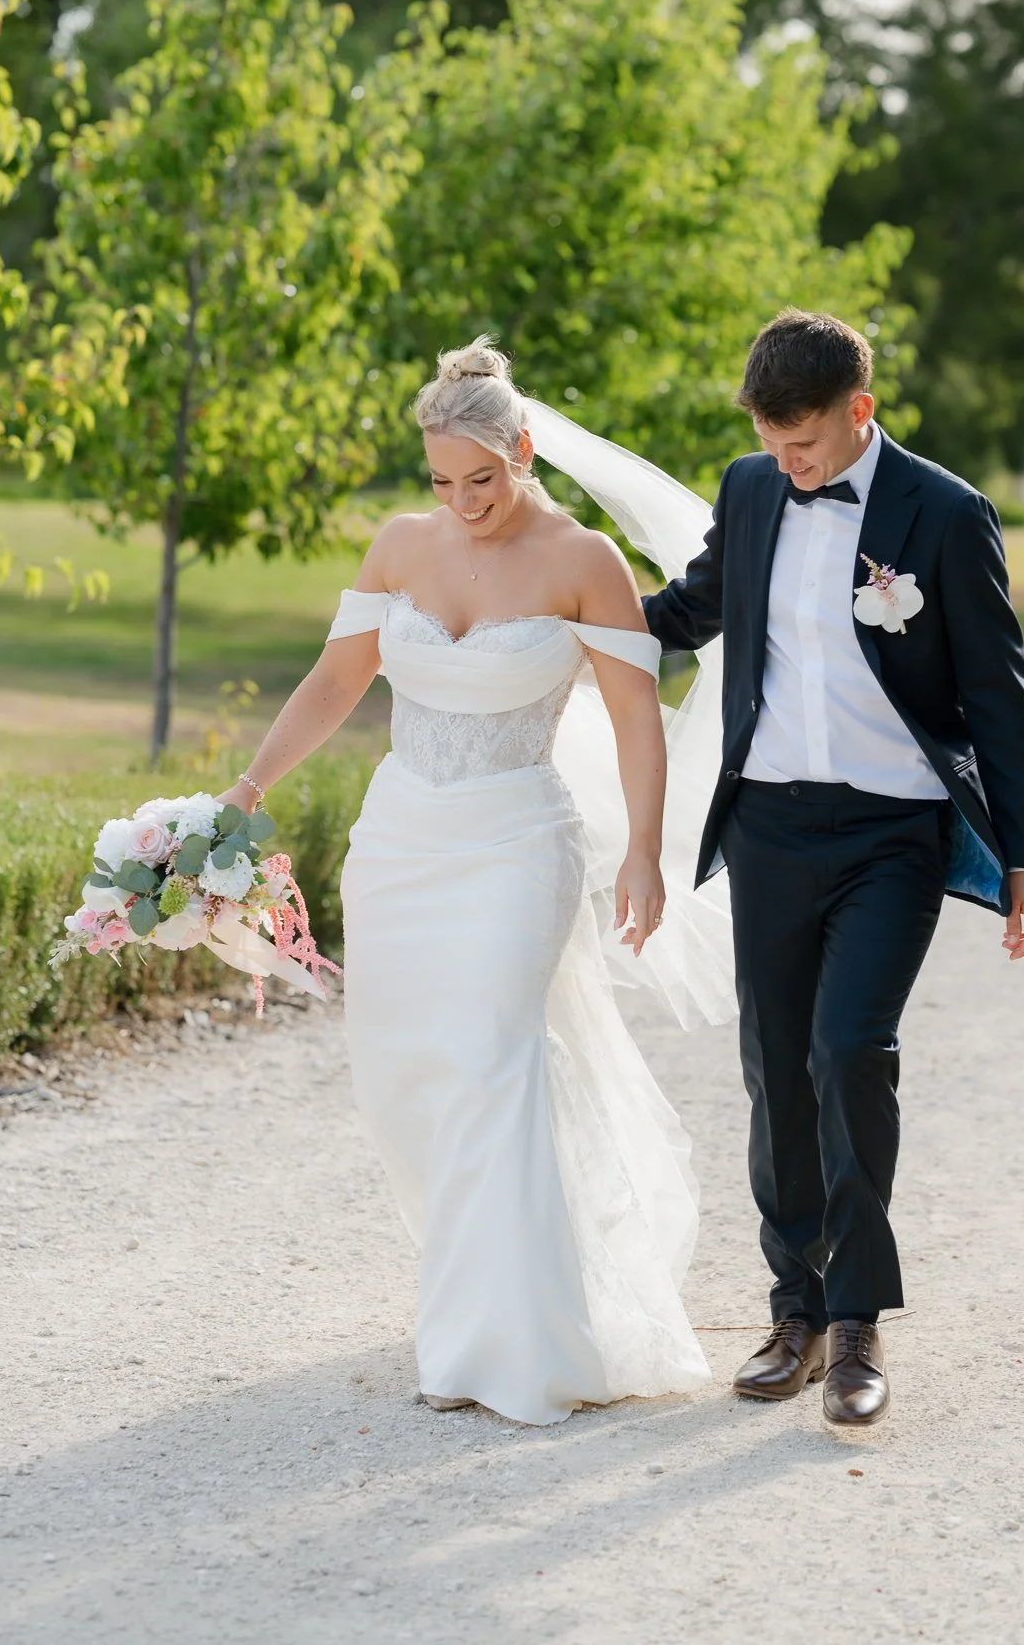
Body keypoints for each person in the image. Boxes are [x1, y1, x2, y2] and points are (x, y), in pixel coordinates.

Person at [219, 339, 719, 1426]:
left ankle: (504, 1346)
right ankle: (475, 1293)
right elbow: (337, 676)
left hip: (516, 844)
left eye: (482, 480)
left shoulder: (585, 561)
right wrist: (251, 785)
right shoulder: (401, 545)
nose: (463, 503)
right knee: (409, 1074)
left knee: (495, 1059)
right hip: (400, 841)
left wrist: (642, 848)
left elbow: (637, 717)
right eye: (444, 482)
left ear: (525, 452)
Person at [642, 309, 1024, 1427]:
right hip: (770, 825)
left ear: (859, 411)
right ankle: (798, 1308)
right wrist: (565, 627)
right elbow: (690, 610)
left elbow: (999, 699)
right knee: (775, 1066)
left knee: (848, 1048)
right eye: (775, 447)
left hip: (892, 835)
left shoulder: (947, 513)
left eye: (806, 447)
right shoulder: (749, 487)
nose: (789, 466)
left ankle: (861, 1320)